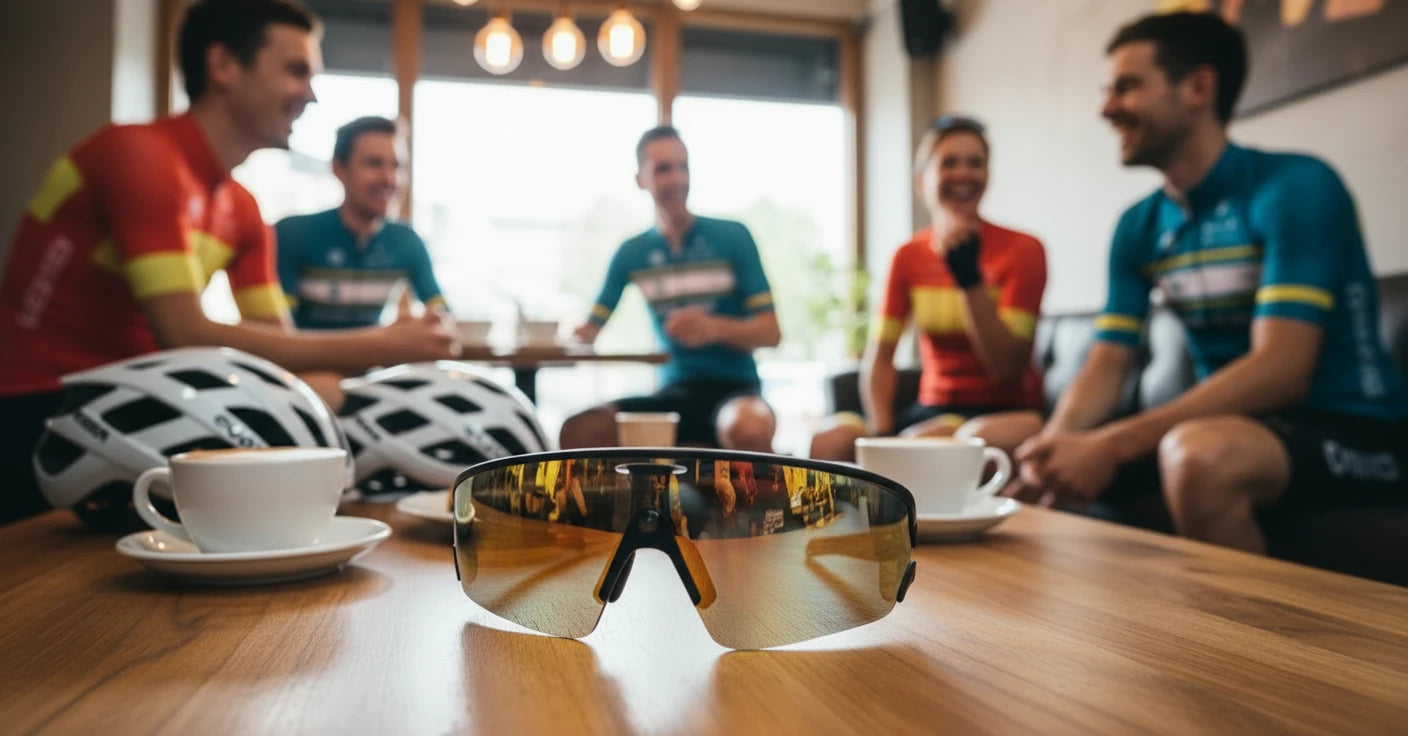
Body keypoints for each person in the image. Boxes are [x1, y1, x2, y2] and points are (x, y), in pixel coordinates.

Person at [0, 0, 456, 524]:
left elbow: (285, 359)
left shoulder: (241, 209)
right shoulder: (141, 156)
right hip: (37, 410)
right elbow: (182, 331)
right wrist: (382, 345)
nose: (311, 93)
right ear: (224, 67)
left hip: (131, 410)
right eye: (296, 70)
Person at [993, 11, 1408, 553]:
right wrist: (1055, 448)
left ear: (1198, 87)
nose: (1107, 108)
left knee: (1199, 455)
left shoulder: (1297, 186)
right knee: (998, 445)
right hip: (1231, 424)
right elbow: (1109, 361)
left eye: (1127, 86)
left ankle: (1241, 643)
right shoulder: (1138, 225)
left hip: (1349, 431)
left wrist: (1113, 445)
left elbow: (1283, 370)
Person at [809, 116, 1047, 461]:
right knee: (829, 441)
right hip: (930, 408)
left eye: (975, 163)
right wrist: (882, 432)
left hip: (1001, 412)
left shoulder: (1023, 249)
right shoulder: (908, 256)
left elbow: (1007, 367)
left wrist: (968, 278)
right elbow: (881, 356)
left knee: (923, 442)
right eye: (949, 162)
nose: (964, 173)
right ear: (922, 181)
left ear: (987, 176)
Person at [559, 126, 781, 452]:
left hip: (737, 392)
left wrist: (714, 328)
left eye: (683, 166)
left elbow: (771, 333)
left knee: (747, 426)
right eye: (663, 169)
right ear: (641, 179)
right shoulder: (631, 253)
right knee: (582, 430)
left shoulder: (734, 236)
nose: (677, 178)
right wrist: (565, 332)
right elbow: (588, 331)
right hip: (673, 394)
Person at [276, 116, 449, 330]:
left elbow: (441, 312)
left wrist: (435, 321)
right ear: (339, 170)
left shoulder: (408, 241)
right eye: (374, 163)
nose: (389, 178)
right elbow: (281, 332)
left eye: (397, 166)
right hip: (298, 364)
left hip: (375, 361)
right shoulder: (292, 234)